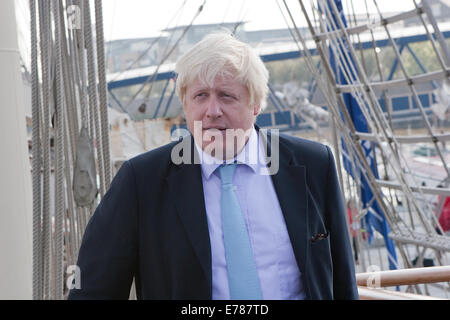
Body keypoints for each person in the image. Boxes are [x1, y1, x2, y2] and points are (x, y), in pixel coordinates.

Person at [68, 33, 358, 300]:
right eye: (200, 96)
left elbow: (343, 282)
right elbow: (93, 291)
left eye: (226, 96)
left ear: (255, 104)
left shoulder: (314, 163)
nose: (212, 111)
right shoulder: (140, 181)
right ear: (185, 104)